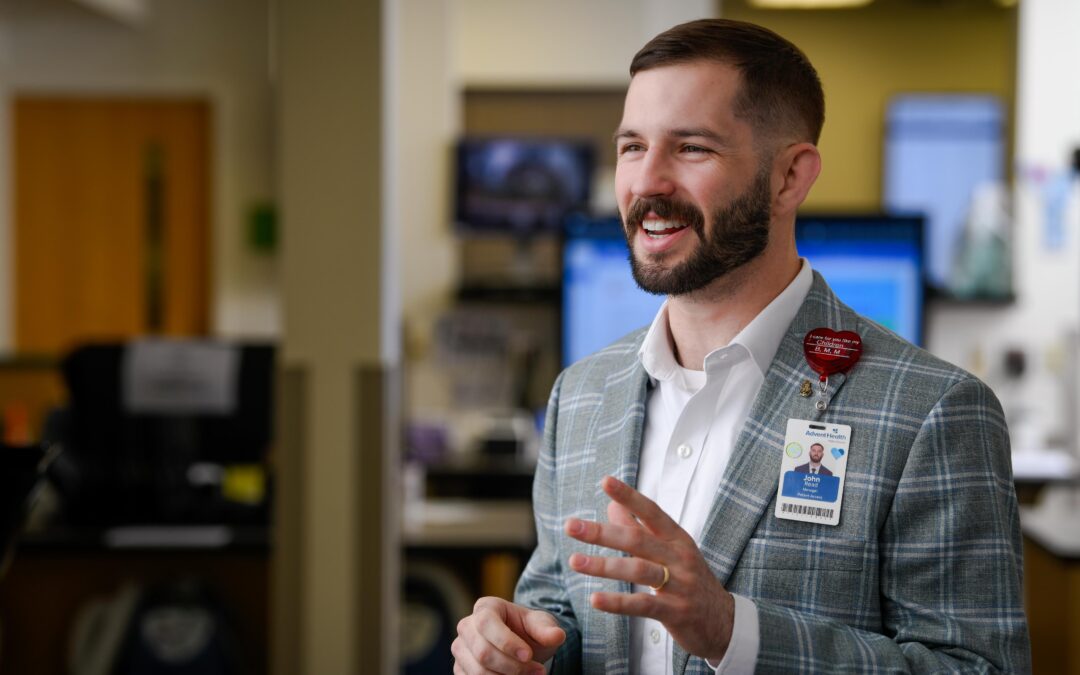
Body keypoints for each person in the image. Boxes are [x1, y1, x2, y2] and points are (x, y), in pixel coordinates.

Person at [452, 18, 1029, 675]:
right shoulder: (581, 393)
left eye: (691, 148)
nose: (647, 182)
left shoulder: (935, 410)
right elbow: (561, 606)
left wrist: (733, 631)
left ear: (789, 177)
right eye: (632, 146)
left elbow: (980, 668)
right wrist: (518, 644)